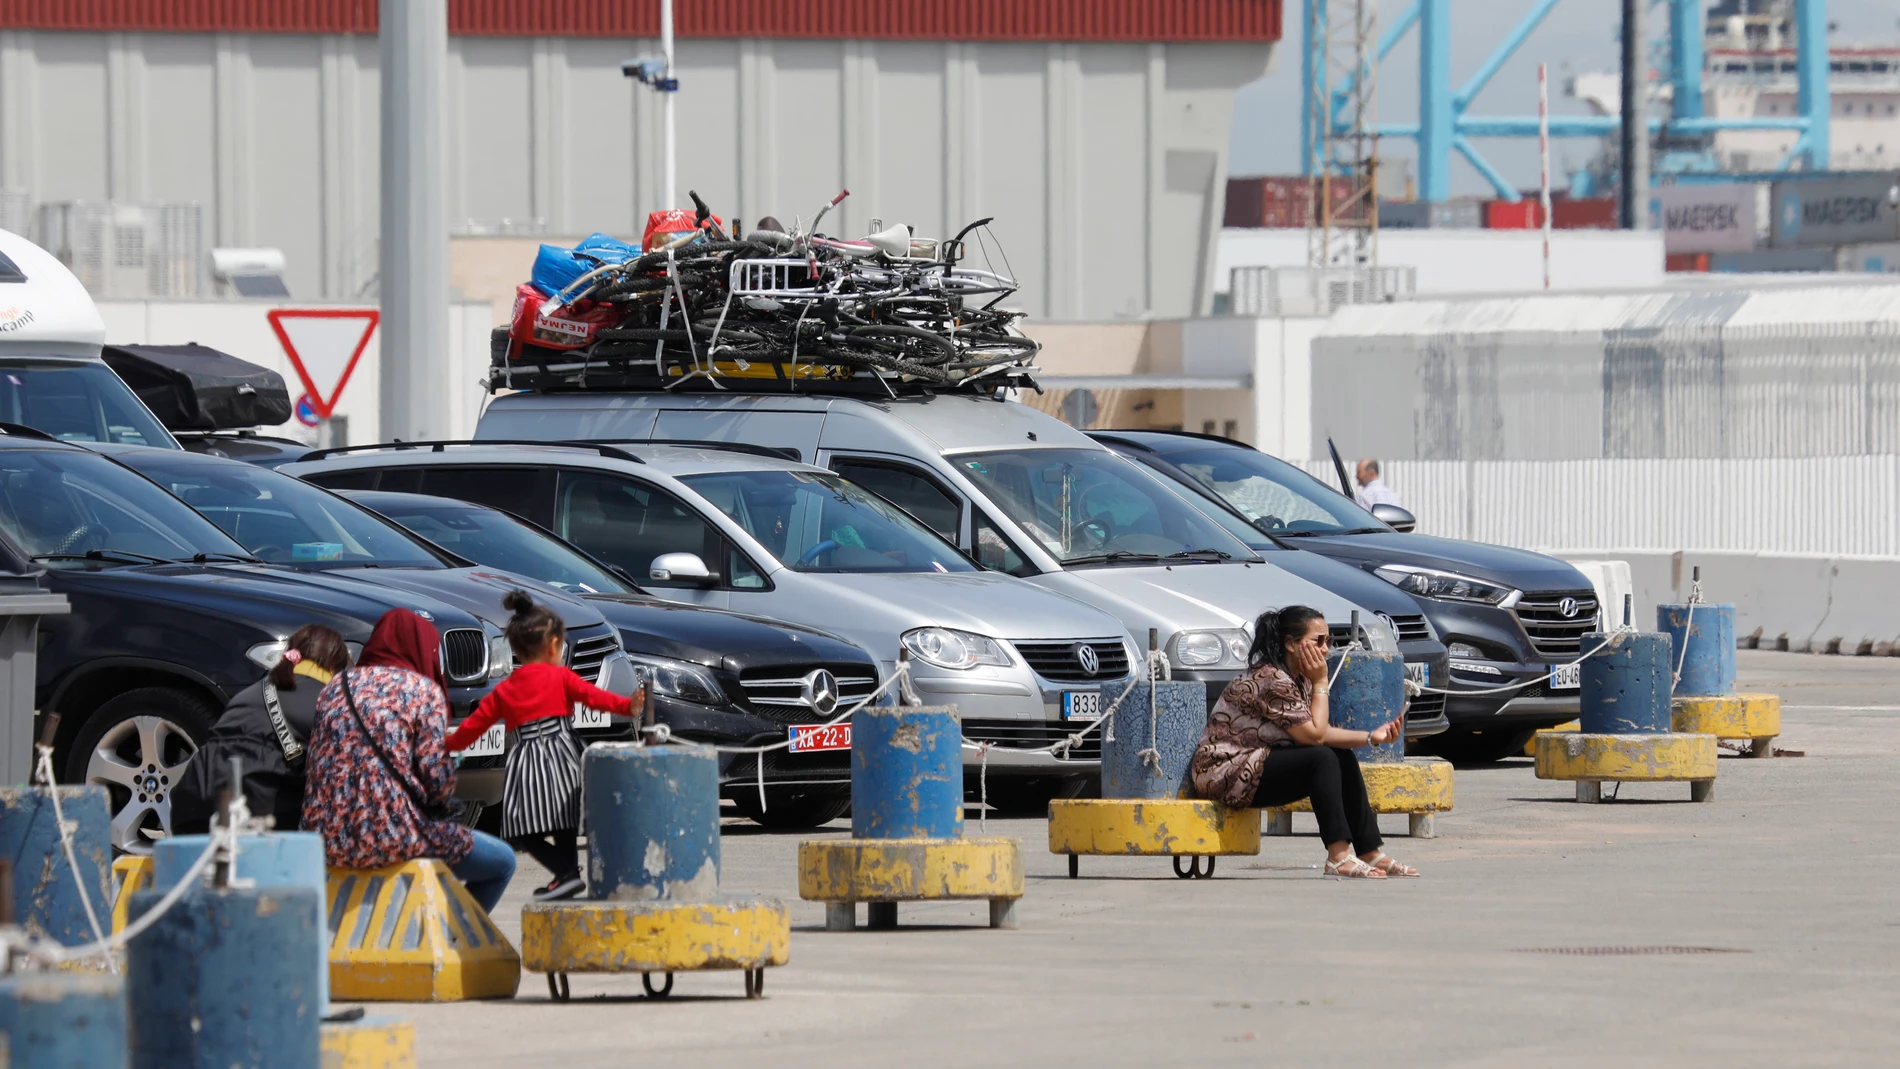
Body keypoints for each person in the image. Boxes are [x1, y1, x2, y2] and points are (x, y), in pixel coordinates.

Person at [301, 609, 517, 913]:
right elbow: (438, 784)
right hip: (391, 839)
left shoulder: (336, 688)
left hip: (321, 839)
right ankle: (452, 936)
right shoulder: (421, 691)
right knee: (503, 862)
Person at [1189, 605, 1419, 879]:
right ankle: (1338, 856)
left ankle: (1369, 852)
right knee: (1321, 758)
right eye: (1318, 641)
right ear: (1291, 644)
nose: (1325, 649)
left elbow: (1314, 731)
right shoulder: (1271, 679)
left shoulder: (1298, 677)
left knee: (1341, 756)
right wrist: (1321, 681)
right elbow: (1315, 736)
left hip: (1256, 765)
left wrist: (1372, 737)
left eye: (1329, 641)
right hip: (1224, 773)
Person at [445, 591, 647, 901]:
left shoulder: (506, 688)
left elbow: (474, 727)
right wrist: (628, 707)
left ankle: (565, 874)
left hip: (528, 760)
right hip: (564, 751)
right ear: (554, 646)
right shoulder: (562, 677)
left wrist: (445, 744)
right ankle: (568, 873)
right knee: (564, 819)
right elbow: (596, 698)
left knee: (523, 829)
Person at [173, 624, 351, 835]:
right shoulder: (329, 701)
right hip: (259, 810)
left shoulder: (251, 691)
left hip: (189, 803)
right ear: (334, 665)